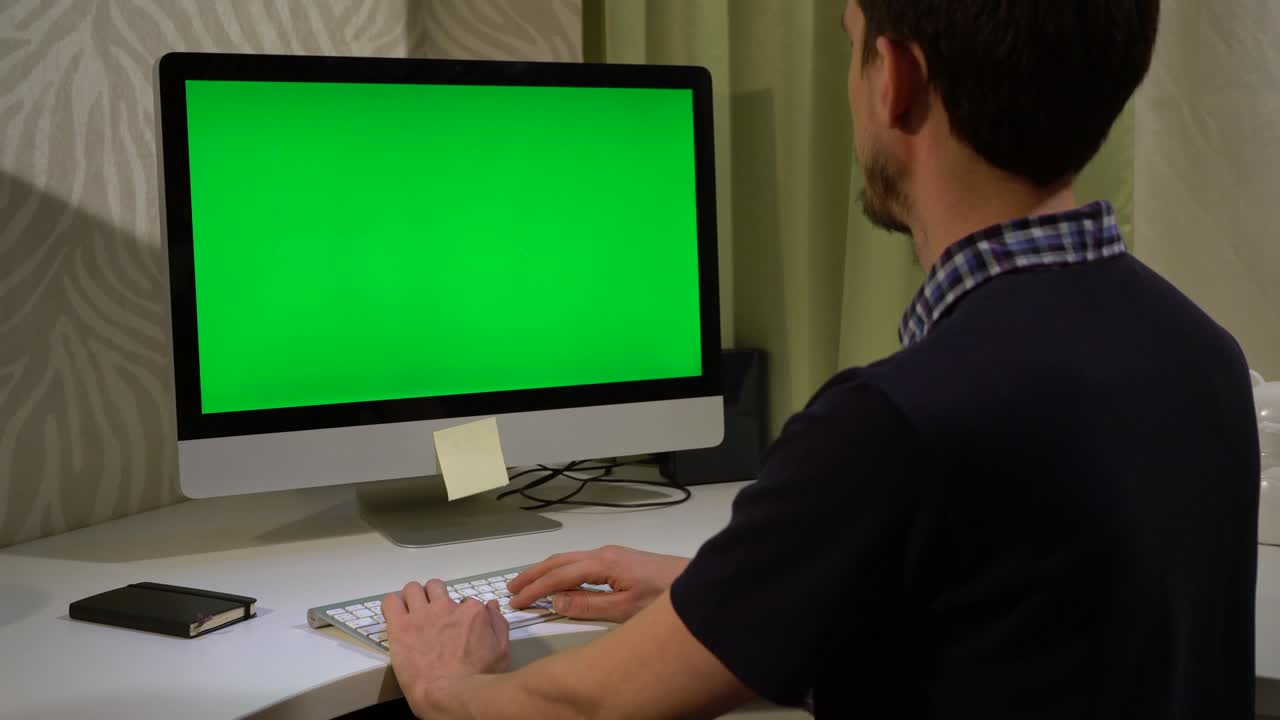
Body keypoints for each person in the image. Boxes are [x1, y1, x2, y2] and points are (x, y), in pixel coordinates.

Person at [381, 0, 1261, 717]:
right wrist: (745, 597)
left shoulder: (896, 423)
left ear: (899, 80)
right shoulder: (1201, 355)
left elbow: (590, 709)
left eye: (855, 52)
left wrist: (444, 684)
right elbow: (1019, 643)